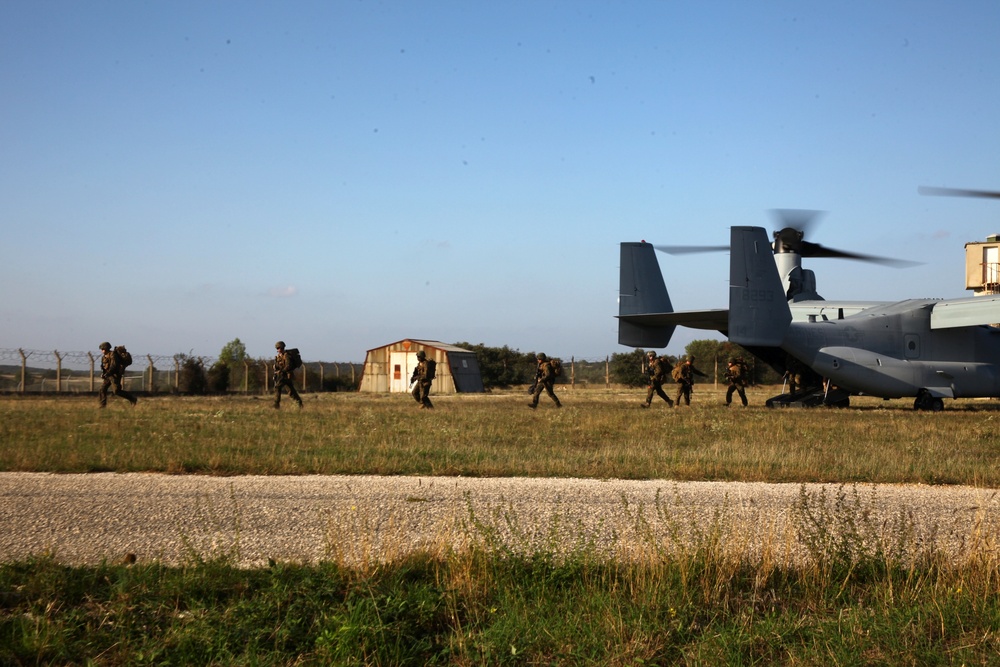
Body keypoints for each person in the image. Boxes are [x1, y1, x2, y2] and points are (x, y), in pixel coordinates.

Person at [98, 341, 137, 408]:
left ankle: (132, 398)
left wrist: (108, 373)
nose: (102, 351)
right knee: (102, 389)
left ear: (106, 348)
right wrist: (104, 374)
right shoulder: (104, 357)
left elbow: (114, 365)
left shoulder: (113, 354)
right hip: (108, 375)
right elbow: (104, 367)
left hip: (115, 375)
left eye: (103, 349)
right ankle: (102, 405)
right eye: (101, 349)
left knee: (116, 391)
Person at [273, 341, 303, 409]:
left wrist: (281, 371)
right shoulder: (278, 357)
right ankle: (299, 403)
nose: (278, 350)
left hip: (286, 375)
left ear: (282, 347)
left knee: (277, 387)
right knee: (291, 391)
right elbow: (279, 365)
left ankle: (276, 405)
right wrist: (276, 367)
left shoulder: (286, 356)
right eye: (277, 348)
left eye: (279, 348)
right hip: (282, 375)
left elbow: (288, 366)